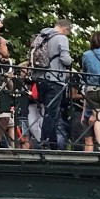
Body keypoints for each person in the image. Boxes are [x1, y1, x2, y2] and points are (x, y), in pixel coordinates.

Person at [27, 16, 72, 149]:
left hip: (40, 79)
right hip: (55, 79)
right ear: (65, 29)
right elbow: (65, 59)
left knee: (48, 110)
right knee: (52, 112)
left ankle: (52, 143)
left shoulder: (41, 36)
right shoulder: (61, 38)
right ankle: (45, 141)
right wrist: (70, 61)